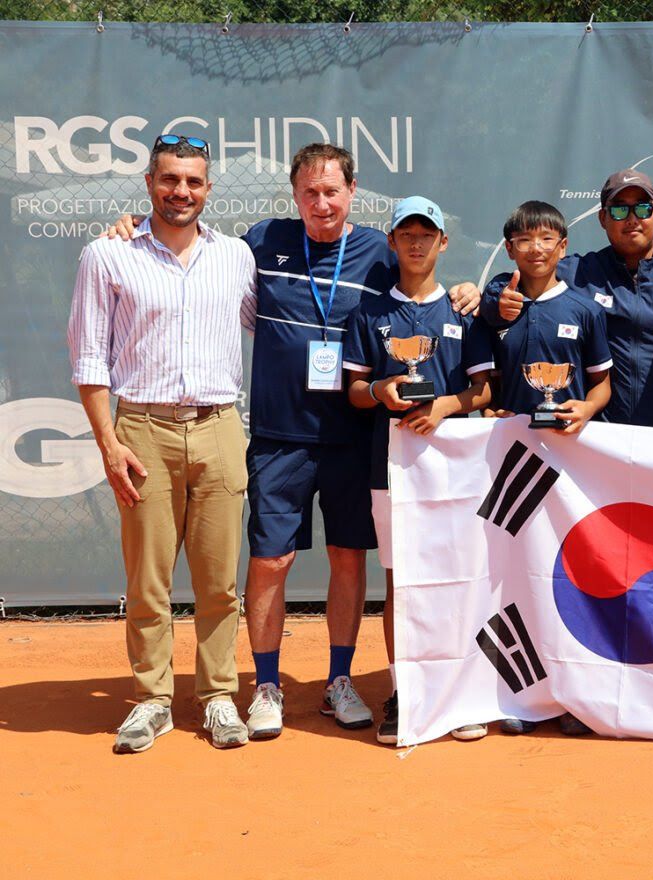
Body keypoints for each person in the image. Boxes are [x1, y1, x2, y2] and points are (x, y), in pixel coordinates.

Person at [105, 143, 480, 741]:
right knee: (271, 560)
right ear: (294, 193)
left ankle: (337, 680)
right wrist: (129, 225)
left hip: (356, 436)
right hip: (279, 436)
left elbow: (423, 280)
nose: (321, 203)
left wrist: (468, 291)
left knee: (347, 558)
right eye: (310, 191)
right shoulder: (258, 242)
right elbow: (187, 239)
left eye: (332, 191)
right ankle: (269, 685)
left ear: (351, 192)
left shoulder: (381, 256)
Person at [68, 134, 257, 752]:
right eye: (170, 179)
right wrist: (108, 443)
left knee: (219, 581)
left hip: (220, 427)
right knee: (148, 580)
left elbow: (279, 322)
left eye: (194, 181)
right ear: (150, 182)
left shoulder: (237, 257)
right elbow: (90, 359)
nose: (182, 192)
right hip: (141, 430)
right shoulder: (107, 255)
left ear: (208, 189)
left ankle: (219, 697)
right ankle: (152, 699)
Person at [342, 197, 494, 745]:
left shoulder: (464, 312)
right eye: (406, 233)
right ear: (392, 242)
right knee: (400, 583)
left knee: (457, 576)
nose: (416, 242)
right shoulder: (369, 313)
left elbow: (486, 388)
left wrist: (446, 407)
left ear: (442, 243)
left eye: (426, 233)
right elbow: (354, 390)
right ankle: (405, 689)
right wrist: (380, 390)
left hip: (453, 466)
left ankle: (456, 689)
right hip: (392, 467)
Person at [485, 200, 612, 737]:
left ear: (563, 249)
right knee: (516, 578)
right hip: (512, 466)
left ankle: (573, 693)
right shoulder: (495, 314)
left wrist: (585, 407)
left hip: (570, 471)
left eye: (546, 240)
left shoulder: (585, 309)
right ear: (509, 248)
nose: (535, 249)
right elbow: (481, 383)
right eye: (524, 241)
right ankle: (521, 693)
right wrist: (487, 409)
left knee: (570, 576)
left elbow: (602, 383)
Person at [486, 169, 653, 429]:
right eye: (619, 210)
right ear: (603, 218)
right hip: (600, 440)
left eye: (642, 209)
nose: (632, 219)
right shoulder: (576, 272)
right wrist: (492, 295)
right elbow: (523, 274)